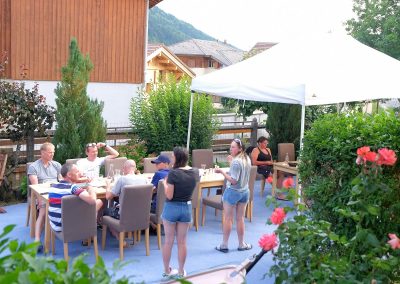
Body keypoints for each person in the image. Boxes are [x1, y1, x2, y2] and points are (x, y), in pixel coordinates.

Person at [161, 147, 199, 279]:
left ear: (177, 158)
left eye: (173, 156)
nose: (171, 158)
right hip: (186, 208)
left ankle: (167, 270)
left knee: (168, 241)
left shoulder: (173, 173)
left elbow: (169, 195)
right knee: (182, 242)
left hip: (172, 208)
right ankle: (182, 271)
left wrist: (165, 184)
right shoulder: (195, 172)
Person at [214, 138, 252, 253]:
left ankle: (224, 244)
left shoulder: (236, 162)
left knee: (228, 219)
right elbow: (239, 174)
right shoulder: (246, 158)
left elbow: (234, 180)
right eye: (230, 146)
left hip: (233, 192)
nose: (231, 149)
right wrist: (231, 163)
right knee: (240, 219)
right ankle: (241, 244)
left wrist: (221, 172)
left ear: (240, 148)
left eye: (233, 147)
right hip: (244, 191)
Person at [48, 163, 103, 232]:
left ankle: (89, 228)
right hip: (67, 226)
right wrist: (91, 187)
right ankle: (89, 229)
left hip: (54, 224)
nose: (80, 174)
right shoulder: (72, 188)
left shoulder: (53, 187)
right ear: (69, 175)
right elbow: (92, 200)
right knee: (99, 202)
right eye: (77, 172)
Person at [28, 142, 62, 253]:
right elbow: (36, 187)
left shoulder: (56, 165)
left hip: (56, 193)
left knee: (70, 204)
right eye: (50, 152)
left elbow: (61, 180)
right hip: (42, 194)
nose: (52, 155)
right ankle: (37, 240)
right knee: (42, 212)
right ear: (42, 153)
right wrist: (39, 200)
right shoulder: (34, 167)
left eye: (53, 152)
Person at [103, 160, 148, 241]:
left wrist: (108, 185)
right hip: (141, 215)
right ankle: (128, 233)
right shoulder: (144, 179)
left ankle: (119, 238)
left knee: (105, 211)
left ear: (124, 168)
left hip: (124, 216)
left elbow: (108, 197)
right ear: (135, 168)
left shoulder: (122, 179)